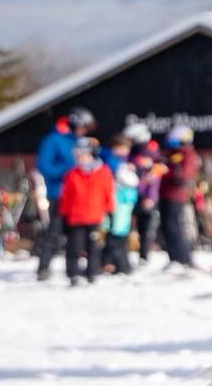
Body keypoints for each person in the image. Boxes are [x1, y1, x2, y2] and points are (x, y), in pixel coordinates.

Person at [34, 107, 96, 281]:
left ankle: (73, 269)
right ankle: (43, 267)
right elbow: (44, 167)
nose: (85, 131)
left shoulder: (80, 142)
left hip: (80, 196)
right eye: (83, 127)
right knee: (54, 231)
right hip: (59, 194)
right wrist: (69, 170)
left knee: (77, 236)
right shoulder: (54, 140)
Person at [57, 142, 114, 286]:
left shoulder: (103, 172)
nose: (80, 159)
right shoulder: (72, 174)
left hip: (96, 217)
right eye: (78, 156)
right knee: (74, 247)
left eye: (83, 156)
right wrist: (64, 215)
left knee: (94, 247)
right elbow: (66, 197)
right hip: (76, 218)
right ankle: (73, 274)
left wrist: (110, 212)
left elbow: (108, 193)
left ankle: (92, 273)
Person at [158, 126, 199, 268]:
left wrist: (166, 170)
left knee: (173, 227)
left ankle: (181, 258)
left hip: (175, 196)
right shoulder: (172, 154)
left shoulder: (187, 154)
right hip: (166, 195)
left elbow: (182, 176)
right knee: (167, 227)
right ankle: (174, 258)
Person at [104, 138, 139, 277]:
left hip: (123, 203)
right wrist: (127, 169)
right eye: (124, 148)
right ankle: (120, 265)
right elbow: (130, 180)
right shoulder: (114, 162)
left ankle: (113, 263)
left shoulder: (120, 162)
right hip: (117, 202)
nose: (127, 151)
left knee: (120, 233)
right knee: (117, 233)